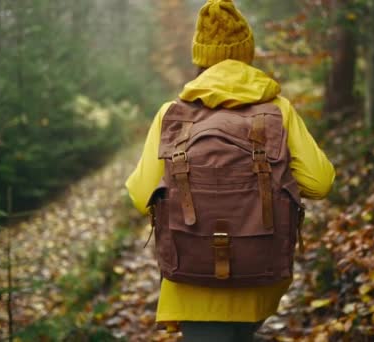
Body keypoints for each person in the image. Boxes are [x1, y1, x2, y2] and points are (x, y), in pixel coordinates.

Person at [125, 0, 335, 340]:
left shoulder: (172, 115)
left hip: (190, 278)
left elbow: (139, 197)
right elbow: (321, 182)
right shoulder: (277, 111)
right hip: (259, 274)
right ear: (247, 53)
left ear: (200, 57)